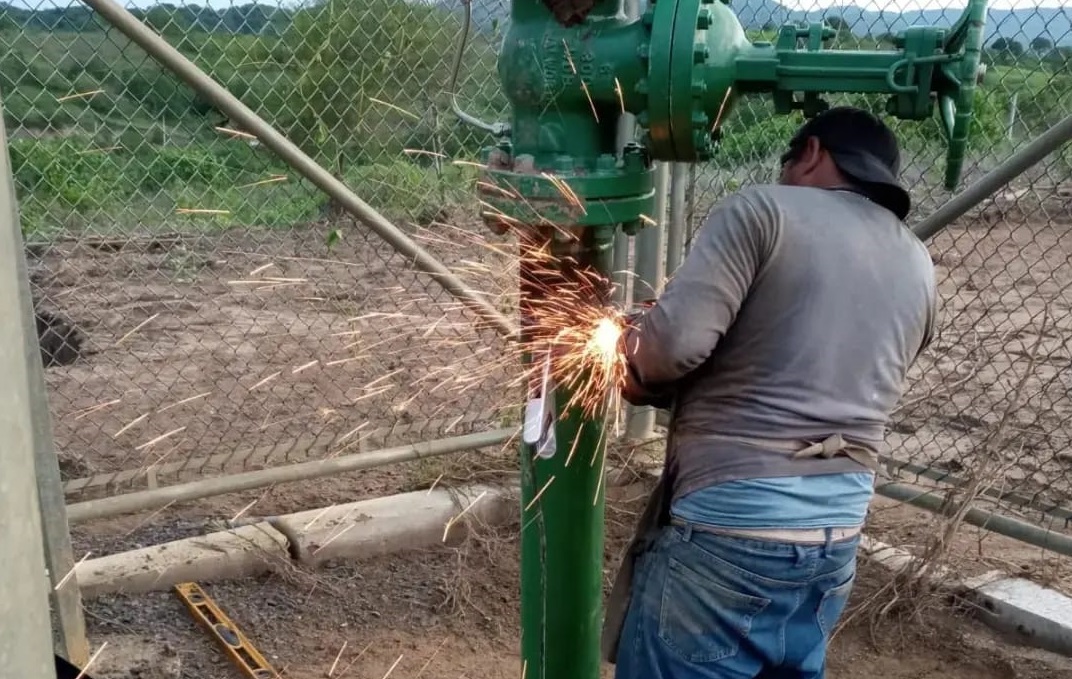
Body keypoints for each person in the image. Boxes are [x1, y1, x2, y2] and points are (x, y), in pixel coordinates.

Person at [602, 106, 938, 679]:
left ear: (811, 153)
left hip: (730, 532)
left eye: (790, 160)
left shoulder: (761, 210)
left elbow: (670, 347)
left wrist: (626, 350)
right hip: (836, 541)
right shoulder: (918, 259)